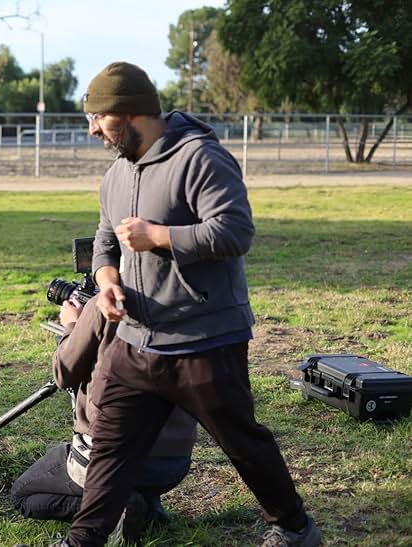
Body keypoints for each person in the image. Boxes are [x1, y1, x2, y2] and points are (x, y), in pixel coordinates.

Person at [54, 62, 321, 547]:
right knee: (110, 447)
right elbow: (104, 239)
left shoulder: (200, 158)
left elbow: (236, 231)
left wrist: (158, 236)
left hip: (203, 338)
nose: (91, 128)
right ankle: (82, 541)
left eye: (97, 117)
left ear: (129, 112)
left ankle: (294, 526)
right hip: (134, 340)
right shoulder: (116, 174)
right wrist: (107, 279)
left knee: (241, 441)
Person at [10, 294, 197, 544]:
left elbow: (64, 373)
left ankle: (121, 508)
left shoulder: (107, 301)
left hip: (106, 462)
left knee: (24, 495)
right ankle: (147, 506)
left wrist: (72, 325)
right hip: (173, 463)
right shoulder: (193, 300)